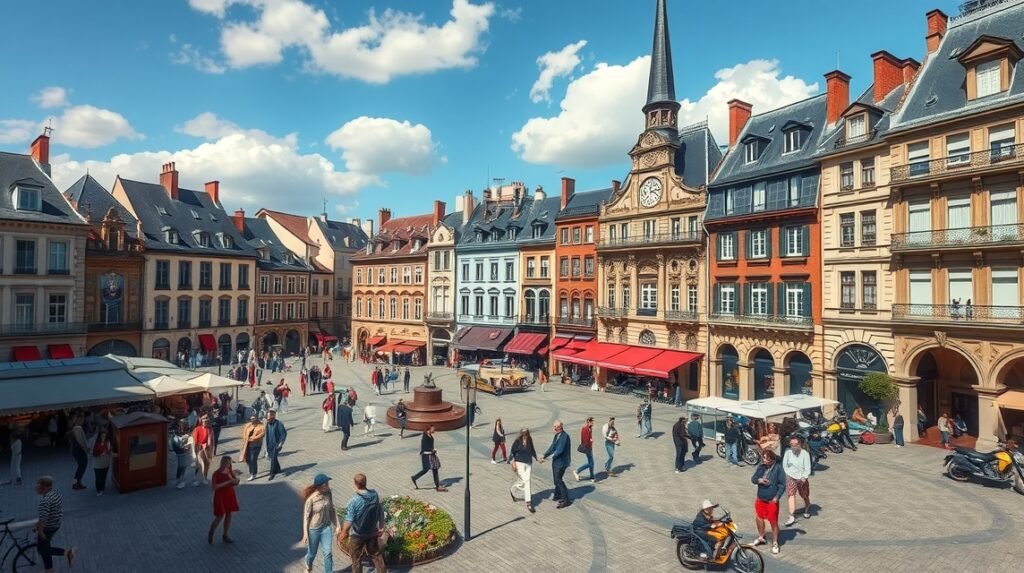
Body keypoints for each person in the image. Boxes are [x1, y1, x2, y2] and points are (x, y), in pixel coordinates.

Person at [339, 473, 387, 573]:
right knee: (377, 556)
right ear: (365, 482)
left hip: (358, 535)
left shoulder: (354, 500)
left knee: (356, 559)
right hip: (372, 532)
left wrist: (343, 533)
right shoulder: (374, 494)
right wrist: (381, 526)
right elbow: (380, 511)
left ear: (355, 484)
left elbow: (349, 520)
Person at [35, 476, 76, 572]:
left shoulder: (44, 502)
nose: (36, 488)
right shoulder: (56, 494)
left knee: (43, 550)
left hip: (48, 528)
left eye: (38, 486)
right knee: (45, 547)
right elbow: (51, 512)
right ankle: (49, 569)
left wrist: (40, 531)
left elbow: (44, 519)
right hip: (56, 524)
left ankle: (69, 552)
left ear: (44, 488)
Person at [302, 473, 339, 573]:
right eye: (326, 484)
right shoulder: (311, 499)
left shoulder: (328, 493)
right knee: (312, 554)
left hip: (326, 527)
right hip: (314, 529)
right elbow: (306, 518)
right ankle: (308, 566)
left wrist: (337, 525)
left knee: (328, 553)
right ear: (320, 486)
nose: (328, 486)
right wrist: (305, 534)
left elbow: (332, 509)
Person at [751, 450, 786, 555]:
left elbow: (782, 484)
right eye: (763, 458)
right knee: (759, 518)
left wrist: (777, 497)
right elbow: (753, 479)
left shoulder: (778, 468)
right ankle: (761, 536)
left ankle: (775, 542)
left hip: (772, 499)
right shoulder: (762, 467)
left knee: (773, 521)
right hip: (761, 497)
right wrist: (759, 480)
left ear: (772, 459)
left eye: (766, 458)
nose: (764, 460)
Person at [208, 456, 240, 544]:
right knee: (220, 516)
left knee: (229, 514)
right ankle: (211, 531)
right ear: (222, 463)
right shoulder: (216, 473)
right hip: (220, 496)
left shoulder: (229, 471)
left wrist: (236, 481)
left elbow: (234, 482)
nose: (228, 465)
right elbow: (214, 487)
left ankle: (225, 535)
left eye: (229, 463)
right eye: (227, 463)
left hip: (229, 495)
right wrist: (228, 482)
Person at [541, 420, 572, 509]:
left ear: (561, 426)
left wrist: (547, 458)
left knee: (558, 480)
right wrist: (544, 454)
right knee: (557, 480)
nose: (555, 428)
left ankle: (566, 500)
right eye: (554, 427)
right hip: (556, 461)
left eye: (556, 427)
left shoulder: (564, 436)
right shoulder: (557, 436)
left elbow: (559, 450)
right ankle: (558, 495)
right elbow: (553, 447)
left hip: (562, 462)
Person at [782, 437, 812, 526]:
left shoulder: (805, 454)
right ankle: (791, 516)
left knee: (804, 495)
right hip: (791, 477)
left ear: (800, 445)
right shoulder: (787, 453)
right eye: (792, 445)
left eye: (795, 445)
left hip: (802, 478)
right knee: (791, 494)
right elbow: (785, 466)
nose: (794, 447)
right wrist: (788, 474)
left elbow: (807, 468)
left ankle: (807, 506)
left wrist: (804, 477)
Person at [510, 428, 538, 513]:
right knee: (526, 481)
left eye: (527, 434)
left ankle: (515, 490)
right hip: (519, 462)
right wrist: (513, 462)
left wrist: (537, 458)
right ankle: (528, 502)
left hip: (528, 462)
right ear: (521, 434)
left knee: (527, 481)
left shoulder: (529, 440)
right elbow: (512, 452)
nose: (526, 435)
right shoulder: (517, 441)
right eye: (524, 434)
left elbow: (532, 449)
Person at [411, 425, 446, 491]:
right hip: (426, 456)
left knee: (435, 469)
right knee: (425, 470)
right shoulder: (425, 438)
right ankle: (414, 477)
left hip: (431, 455)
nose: (434, 429)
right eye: (433, 428)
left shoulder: (430, 436)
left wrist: (433, 450)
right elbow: (424, 448)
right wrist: (432, 450)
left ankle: (437, 486)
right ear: (428, 429)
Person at [239, 415, 265, 481]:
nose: (252, 420)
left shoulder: (261, 426)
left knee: (253, 459)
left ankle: (253, 474)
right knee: (248, 459)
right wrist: (246, 438)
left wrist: (252, 439)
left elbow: (261, 435)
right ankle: (251, 471)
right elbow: (244, 433)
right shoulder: (248, 425)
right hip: (247, 444)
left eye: (254, 419)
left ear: (257, 419)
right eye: (251, 419)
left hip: (256, 445)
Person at [91, 428, 114, 497]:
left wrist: (112, 453)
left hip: (105, 463)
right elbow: (92, 452)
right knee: (98, 477)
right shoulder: (95, 442)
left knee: (103, 477)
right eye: (102, 436)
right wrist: (100, 454)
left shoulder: (108, 442)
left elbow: (109, 451)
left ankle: (102, 489)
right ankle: (98, 489)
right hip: (97, 464)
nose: (103, 437)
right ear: (99, 436)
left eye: (105, 436)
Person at [192, 416, 214, 486]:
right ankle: (197, 479)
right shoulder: (197, 429)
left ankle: (204, 478)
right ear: (201, 421)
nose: (206, 422)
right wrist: (194, 452)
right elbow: (194, 441)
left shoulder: (210, 429)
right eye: (204, 421)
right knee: (199, 464)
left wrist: (212, 448)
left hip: (208, 449)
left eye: (207, 421)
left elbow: (212, 440)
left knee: (207, 464)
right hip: (200, 448)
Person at [69, 415, 89, 490]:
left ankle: (77, 483)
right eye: (82, 419)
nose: (83, 420)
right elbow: (80, 440)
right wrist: (86, 449)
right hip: (79, 451)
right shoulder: (77, 428)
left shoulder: (75, 427)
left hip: (76, 450)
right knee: (82, 467)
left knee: (81, 467)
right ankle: (76, 483)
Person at [170, 422, 192, 489]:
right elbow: (178, 445)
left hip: (183, 454)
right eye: (178, 428)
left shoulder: (178, 436)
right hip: (179, 454)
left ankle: (181, 480)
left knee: (183, 467)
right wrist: (184, 447)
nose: (180, 429)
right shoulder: (174, 437)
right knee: (180, 468)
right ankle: (179, 481)